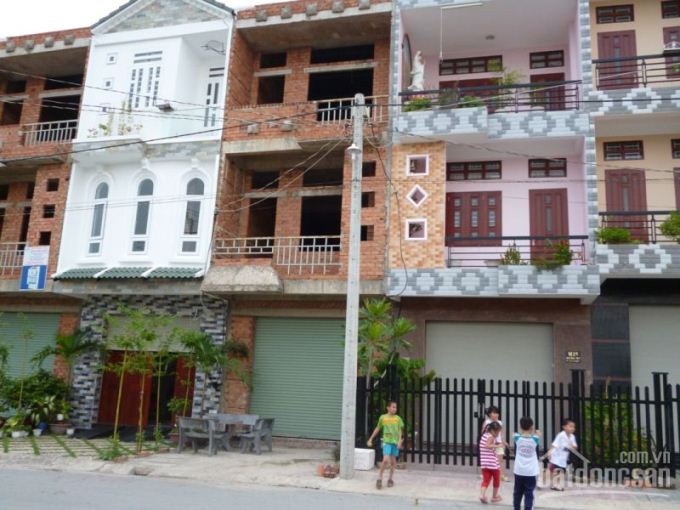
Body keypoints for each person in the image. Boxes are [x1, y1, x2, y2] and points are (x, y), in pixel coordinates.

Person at [367, 401, 404, 490]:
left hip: (395, 443)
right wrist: (371, 438)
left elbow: (400, 430)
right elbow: (378, 428)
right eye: (393, 407)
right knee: (385, 460)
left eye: (395, 407)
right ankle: (379, 478)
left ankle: (390, 479)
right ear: (388, 408)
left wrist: (399, 441)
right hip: (387, 442)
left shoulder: (398, 418)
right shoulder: (383, 417)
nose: (395, 409)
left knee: (393, 462)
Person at [513, 417, 541, 510]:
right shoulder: (535, 439)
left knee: (517, 492)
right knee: (529, 493)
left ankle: (516, 508)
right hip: (531, 472)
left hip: (519, 470)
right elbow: (537, 434)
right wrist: (536, 432)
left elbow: (515, 434)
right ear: (531, 427)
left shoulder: (517, 438)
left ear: (520, 427)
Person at [546, 419, 577, 491]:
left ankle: (554, 484)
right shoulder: (561, 435)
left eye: (573, 427)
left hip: (563, 458)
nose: (572, 428)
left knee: (559, 471)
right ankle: (555, 484)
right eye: (570, 426)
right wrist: (549, 452)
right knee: (557, 470)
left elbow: (575, 446)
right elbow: (554, 444)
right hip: (556, 456)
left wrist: (572, 445)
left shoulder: (572, 436)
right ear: (564, 427)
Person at [481, 406, 509, 482]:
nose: (496, 414)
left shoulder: (500, 422)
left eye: (497, 413)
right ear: (489, 414)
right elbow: (483, 432)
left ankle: (501, 475)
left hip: (499, 443)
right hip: (490, 444)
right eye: (493, 413)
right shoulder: (487, 422)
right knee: (487, 459)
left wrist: (504, 441)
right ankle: (484, 474)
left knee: (500, 460)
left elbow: (501, 434)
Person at [479, 421, 503, 504]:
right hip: (493, 464)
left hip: (484, 463)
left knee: (485, 480)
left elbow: (486, 445)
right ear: (492, 431)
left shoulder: (484, 435)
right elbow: (487, 445)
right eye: (497, 432)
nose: (498, 434)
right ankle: (494, 496)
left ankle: (482, 495)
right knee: (496, 480)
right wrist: (497, 446)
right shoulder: (491, 437)